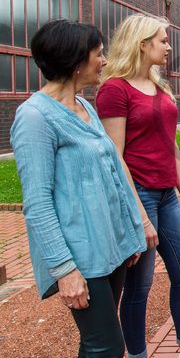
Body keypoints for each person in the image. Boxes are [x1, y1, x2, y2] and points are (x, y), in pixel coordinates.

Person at [11, 19, 147, 357]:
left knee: (101, 343)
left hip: (110, 248)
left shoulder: (85, 107)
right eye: (99, 55)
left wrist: (130, 231)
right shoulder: (35, 118)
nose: (104, 61)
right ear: (75, 62)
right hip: (80, 257)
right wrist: (64, 270)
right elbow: (38, 203)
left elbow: (112, 171)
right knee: (106, 345)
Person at [96, 14, 180, 358]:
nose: (169, 46)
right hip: (137, 195)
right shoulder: (115, 89)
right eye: (162, 40)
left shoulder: (161, 88)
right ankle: (138, 354)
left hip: (167, 196)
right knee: (139, 286)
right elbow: (115, 154)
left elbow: (170, 145)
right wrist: (139, 215)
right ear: (142, 44)